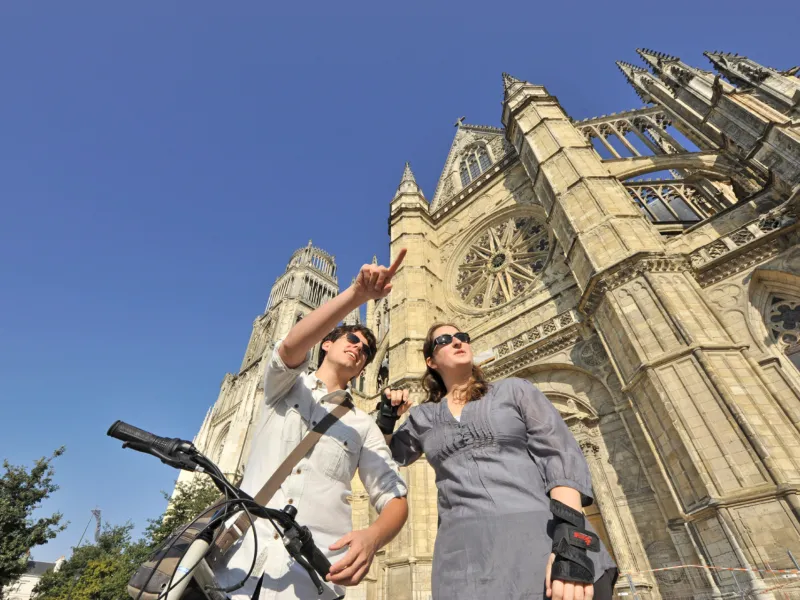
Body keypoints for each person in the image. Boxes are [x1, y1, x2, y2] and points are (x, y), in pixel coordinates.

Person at [217, 251, 410, 600]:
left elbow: (394, 494)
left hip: (308, 579)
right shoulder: (285, 387)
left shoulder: (361, 424)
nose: (359, 349)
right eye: (352, 339)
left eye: (366, 350)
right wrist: (357, 295)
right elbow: (289, 346)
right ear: (326, 343)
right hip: (237, 566)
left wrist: (373, 536)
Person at [378, 323, 618, 600]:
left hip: (542, 542)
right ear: (430, 361)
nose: (458, 342)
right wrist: (387, 417)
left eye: (462, 337)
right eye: (445, 339)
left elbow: (559, 456)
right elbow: (388, 456)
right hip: (464, 560)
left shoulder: (514, 390)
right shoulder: (423, 417)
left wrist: (571, 545)